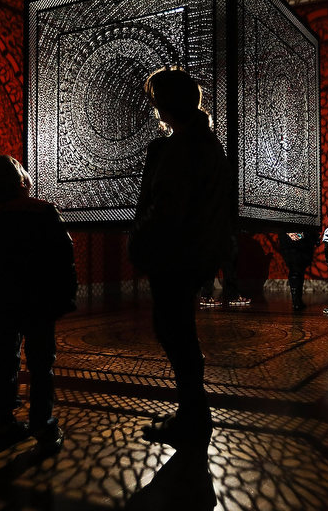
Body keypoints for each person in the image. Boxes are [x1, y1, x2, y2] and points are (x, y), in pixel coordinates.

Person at [129, 67, 231, 450]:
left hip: (173, 254)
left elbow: (166, 209)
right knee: (179, 332)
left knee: (174, 332)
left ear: (165, 105)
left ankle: (193, 415)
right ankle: (193, 412)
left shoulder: (180, 148)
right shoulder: (206, 144)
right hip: (194, 253)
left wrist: (140, 241)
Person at [0, 155, 77, 455]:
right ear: (22, 182)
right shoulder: (44, 213)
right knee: (42, 363)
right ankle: (42, 423)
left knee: (5, 358)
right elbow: (63, 256)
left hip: (4, 304)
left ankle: (3, 423)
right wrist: (65, 295)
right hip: (41, 302)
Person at [199, 233, 251, 307]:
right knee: (219, 264)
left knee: (226, 265)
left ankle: (232, 296)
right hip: (219, 235)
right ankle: (207, 296)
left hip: (221, 235)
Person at [278, 230, 318, 311]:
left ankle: (296, 301)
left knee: (295, 270)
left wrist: (289, 233)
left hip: (289, 242)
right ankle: (297, 301)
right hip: (301, 243)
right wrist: (301, 235)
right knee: (298, 270)